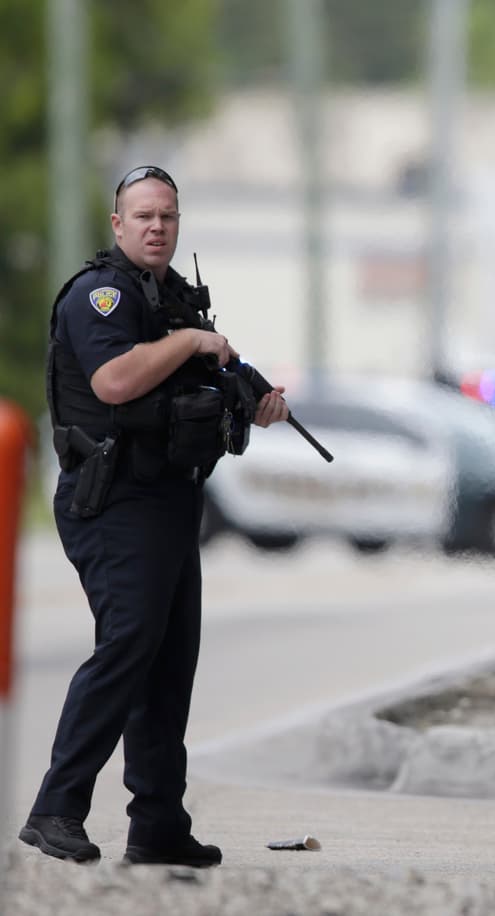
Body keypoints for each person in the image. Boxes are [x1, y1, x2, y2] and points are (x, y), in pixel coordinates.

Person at [19, 165, 289, 867]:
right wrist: (194, 343)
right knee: (129, 644)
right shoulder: (99, 295)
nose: (157, 227)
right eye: (143, 216)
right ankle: (55, 808)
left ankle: (157, 823)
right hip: (112, 501)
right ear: (117, 224)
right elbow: (115, 381)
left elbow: (197, 388)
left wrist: (251, 397)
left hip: (170, 499)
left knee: (170, 663)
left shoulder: (173, 300)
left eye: (167, 216)